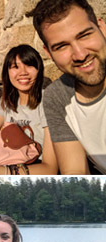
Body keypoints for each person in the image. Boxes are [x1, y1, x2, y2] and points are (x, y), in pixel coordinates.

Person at [29, 0, 106, 174]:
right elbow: (76, 173)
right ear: (48, 53)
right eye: (62, 46)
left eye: (84, 35)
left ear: (102, 27)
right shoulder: (57, 97)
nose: (80, 54)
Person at [0, 45, 58, 175]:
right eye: (15, 67)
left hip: (33, 166)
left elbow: (49, 168)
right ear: (7, 72)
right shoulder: (7, 101)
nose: (23, 72)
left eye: (29, 65)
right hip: (3, 160)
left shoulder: (47, 100)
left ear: (39, 69)